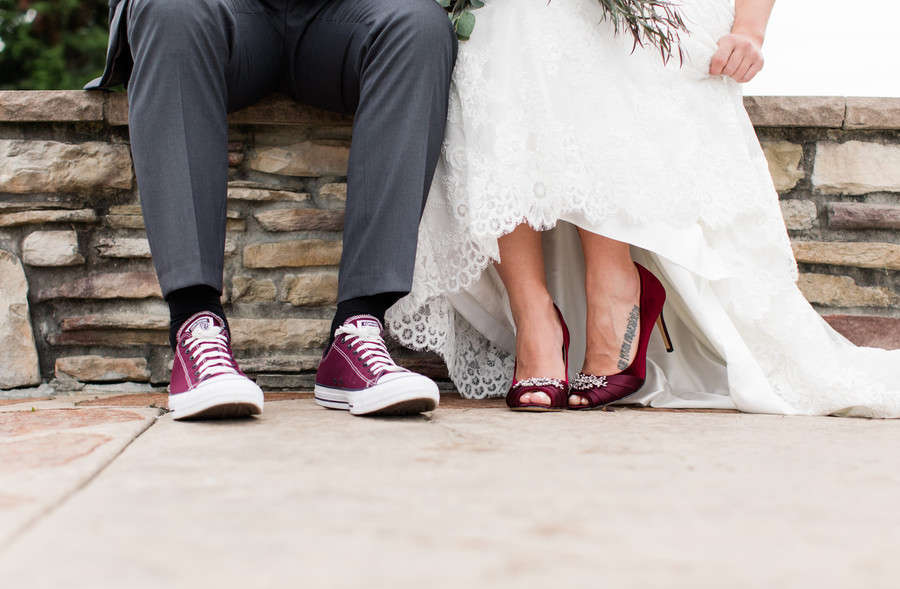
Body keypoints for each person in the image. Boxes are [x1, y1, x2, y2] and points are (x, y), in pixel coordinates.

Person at [386, 0, 900, 417]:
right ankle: (534, 315)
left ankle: (615, 286)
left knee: (576, 21)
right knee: (507, 17)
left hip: (659, 15)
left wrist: (750, 30)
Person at [86, 0, 456, 419]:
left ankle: (357, 330)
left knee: (419, 26)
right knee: (169, 7)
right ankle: (196, 325)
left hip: (337, 18)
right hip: (218, 12)